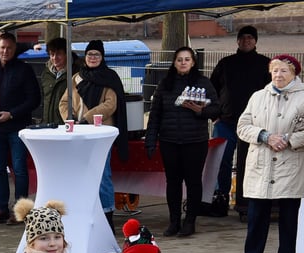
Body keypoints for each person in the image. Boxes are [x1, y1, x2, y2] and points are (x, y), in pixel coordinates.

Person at [233, 54, 304, 253]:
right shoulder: (258, 96)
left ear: (294, 74)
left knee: (288, 220)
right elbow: (243, 126)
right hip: (261, 166)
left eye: (283, 71)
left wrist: (288, 139)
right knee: (256, 219)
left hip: (289, 166)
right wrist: (264, 136)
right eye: (275, 71)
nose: (278, 75)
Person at [144, 47, 219, 237]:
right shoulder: (165, 84)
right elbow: (155, 114)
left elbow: (217, 110)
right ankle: (174, 221)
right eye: (179, 59)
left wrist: (200, 110)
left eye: (187, 59)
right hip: (169, 140)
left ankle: (190, 221)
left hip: (195, 141)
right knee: (173, 182)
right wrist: (151, 140)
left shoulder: (203, 83)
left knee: (193, 182)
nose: (183, 62)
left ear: (193, 62)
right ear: (174, 62)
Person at [59, 39, 130, 231]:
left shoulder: (110, 77)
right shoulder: (75, 78)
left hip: (99, 134)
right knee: (81, 174)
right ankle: (86, 214)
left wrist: (87, 118)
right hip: (78, 133)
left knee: (101, 175)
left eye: (96, 55)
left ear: (102, 57)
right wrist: (70, 118)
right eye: (90, 54)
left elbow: (110, 104)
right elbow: (64, 102)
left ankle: (107, 216)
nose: (92, 58)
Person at [0, 31, 40, 225]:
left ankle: (21, 210)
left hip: (17, 127)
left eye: (8, 48)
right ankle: (1, 209)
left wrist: (11, 113)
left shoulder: (24, 70)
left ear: (14, 49)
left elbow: (34, 99)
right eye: (2, 48)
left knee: (19, 169)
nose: (4, 51)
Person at [211, 25, 271, 218]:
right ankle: (220, 198)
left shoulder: (266, 64)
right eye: (243, 37)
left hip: (254, 126)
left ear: (255, 41)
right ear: (237, 40)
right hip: (226, 122)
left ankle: (246, 203)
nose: (246, 41)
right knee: (221, 162)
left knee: (249, 164)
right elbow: (212, 90)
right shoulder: (225, 63)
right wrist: (215, 115)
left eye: (250, 38)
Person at [40, 38, 69, 126]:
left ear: (66, 54)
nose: (55, 58)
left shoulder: (75, 73)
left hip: (66, 125)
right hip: (47, 125)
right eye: (52, 54)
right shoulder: (46, 74)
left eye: (59, 54)